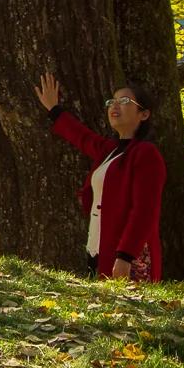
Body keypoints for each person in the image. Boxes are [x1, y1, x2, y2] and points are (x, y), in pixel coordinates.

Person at [35, 71, 165, 281]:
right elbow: (82, 137)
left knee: (130, 312)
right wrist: (54, 109)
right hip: (99, 246)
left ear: (144, 114)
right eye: (111, 101)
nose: (114, 106)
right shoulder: (109, 150)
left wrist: (125, 256)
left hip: (131, 256)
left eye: (124, 101)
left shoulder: (146, 154)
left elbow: (145, 211)